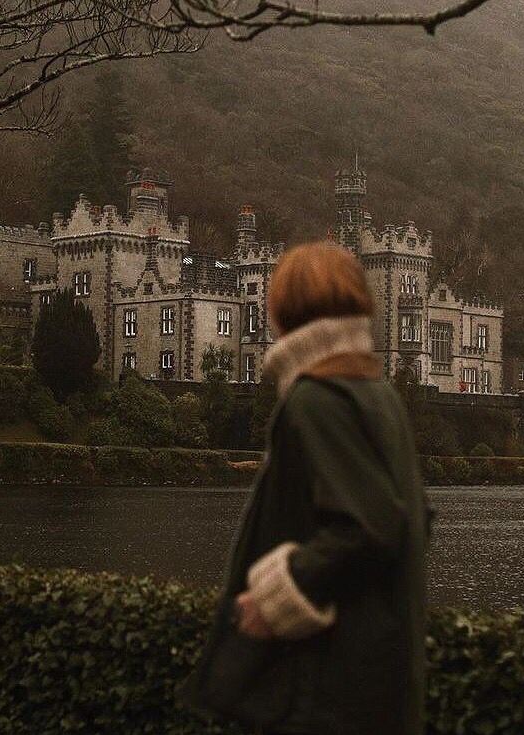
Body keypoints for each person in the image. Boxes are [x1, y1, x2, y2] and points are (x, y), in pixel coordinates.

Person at [180, 242, 431, 735]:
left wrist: (273, 598)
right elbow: (412, 519)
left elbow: (370, 525)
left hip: (324, 689)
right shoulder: (380, 397)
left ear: (283, 310)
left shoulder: (316, 400)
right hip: (381, 680)